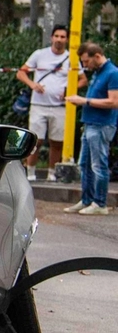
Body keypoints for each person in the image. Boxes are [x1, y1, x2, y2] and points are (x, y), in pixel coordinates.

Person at [67, 42, 118, 215]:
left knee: (98, 165)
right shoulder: (98, 72)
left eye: (86, 61)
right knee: (85, 165)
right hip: (90, 123)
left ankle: (100, 203)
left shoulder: (112, 73)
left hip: (101, 125)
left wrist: (84, 101)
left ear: (97, 56)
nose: (85, 66)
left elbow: (114, 102)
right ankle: (87, 200)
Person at [18, 25, 73, 172]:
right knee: (36, 140)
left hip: (59, 106)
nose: (59, 40)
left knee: (57, 142)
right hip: (38, 104)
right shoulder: (39, 54)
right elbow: (21, 72)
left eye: (62, 37)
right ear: (51, 37)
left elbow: (82, 79)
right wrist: (32, 84)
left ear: (67, 39)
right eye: (56, 36)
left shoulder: (70, 58)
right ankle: (30, 172)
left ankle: (52, 173)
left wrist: (68, 90)